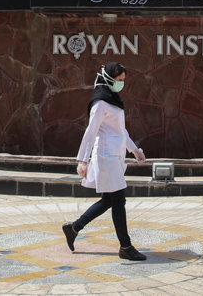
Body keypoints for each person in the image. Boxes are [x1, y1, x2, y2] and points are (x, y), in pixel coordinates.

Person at [62, 62, 148, 261]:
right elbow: (90, 132)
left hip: (115, 156)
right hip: (105, 156)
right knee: (118, 201)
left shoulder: (113, 100)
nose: (121, 84)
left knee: (109, 200)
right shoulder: (100, 103)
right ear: (108, 79)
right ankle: (126, 246)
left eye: (123, 80)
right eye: (118, 80)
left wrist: (134, 149)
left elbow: (120, 130)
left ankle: (74, 228)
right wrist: (83, 161)